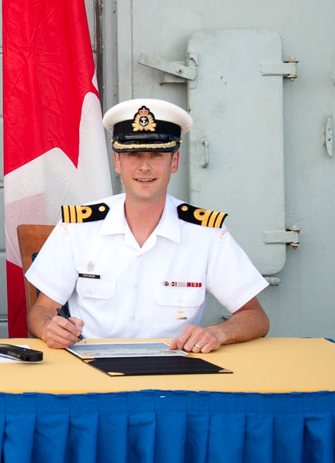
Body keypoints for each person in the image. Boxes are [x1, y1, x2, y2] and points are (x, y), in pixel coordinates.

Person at [26, 98, 269, 353]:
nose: (145, 167)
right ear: (118, 162)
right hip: (91, 368)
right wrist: (48, 329)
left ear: (174, 162)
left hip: (175, 372)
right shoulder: (78, 228)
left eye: (156, 155)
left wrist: (217, 333)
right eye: (134, 155)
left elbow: (256, 317)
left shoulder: (206, 234)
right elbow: (41, 310)